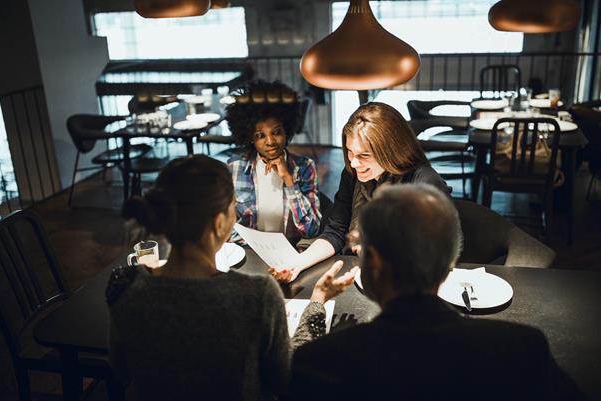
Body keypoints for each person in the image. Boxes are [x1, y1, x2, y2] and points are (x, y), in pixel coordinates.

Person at [289, 184, 582, 401]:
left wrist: (316, 304)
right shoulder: (523, 349)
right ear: (449, 263)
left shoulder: (323, 361)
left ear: (374, 264)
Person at [106, 155, 357, 401]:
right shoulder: (256, 294)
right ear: (219, 223)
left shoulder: (125, 286)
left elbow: (121, 369)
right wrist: (316, 304)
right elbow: (285, 379)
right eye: (234, 208)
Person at [271, 101, 449, 282]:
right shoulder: (353, 174)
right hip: (357, 273)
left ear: (392, 151)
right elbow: (336, 231)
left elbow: (433, 254)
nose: (354, 163)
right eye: (350, 152)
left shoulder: (425, 184)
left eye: (364, 155)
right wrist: (298, 263)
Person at [226, 80, 321, 245]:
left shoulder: (305, 167)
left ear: (287, 130)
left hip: (290, 252)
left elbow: (311, 229)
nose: (270, 141)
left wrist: (288, 180)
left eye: (276, 132)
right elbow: (228, 227)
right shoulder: (235, 167)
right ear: (250, 138)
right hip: (249, 252)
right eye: (260, 135)